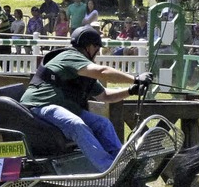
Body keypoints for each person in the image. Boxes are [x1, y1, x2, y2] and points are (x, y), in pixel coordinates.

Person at [20, 26, 153, 173]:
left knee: (103, 123)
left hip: (63, 109)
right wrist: (135, 79)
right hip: (40, 105)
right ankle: (109, 169)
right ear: (89, 47)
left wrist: (131, 90)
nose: (97, 52)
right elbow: (102, 71)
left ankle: (123, 163)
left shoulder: (81, 70)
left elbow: (104, 96)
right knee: (76, 124)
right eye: (96, 47)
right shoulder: (71, 56)